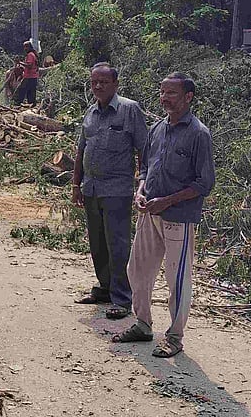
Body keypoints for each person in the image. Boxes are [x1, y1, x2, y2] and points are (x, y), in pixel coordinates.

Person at [114, 72, 215, 359]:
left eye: (171, 93)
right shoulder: (158, 129)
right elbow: (145, 166)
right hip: (150, 215)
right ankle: (143, 324)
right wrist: (141, 190)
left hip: (179, 218)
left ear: (188, 97)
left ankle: (174, 337)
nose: (165, 98)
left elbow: (204, 183)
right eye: (162, 92)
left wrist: (167, 201)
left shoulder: (198, 134)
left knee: (177, 280)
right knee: (138, 270)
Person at [72, 63, 151, 320]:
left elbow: (145, 150)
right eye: (94, 82)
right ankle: (105, 288)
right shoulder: (91, 112)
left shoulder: (129, 110)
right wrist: (76, 185)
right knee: (97, 243)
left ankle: (122, 298)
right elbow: (81, 150)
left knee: (117, 245)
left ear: (115, 84)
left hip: (117, 190)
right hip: (91, 188)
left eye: (103, 82)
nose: (98, 86)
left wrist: (143, 182)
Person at [13, 41, 40, 106]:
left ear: (29, 47)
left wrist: (20, 62)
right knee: (31, 93)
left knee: (20, 91)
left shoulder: (30, 55)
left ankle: (17, 104)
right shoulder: (33, 54)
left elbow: (29, 65)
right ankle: (32, 105)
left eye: (26, 47)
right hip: (33, 77)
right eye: (24, 47)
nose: (25, 48)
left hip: (29, 77)